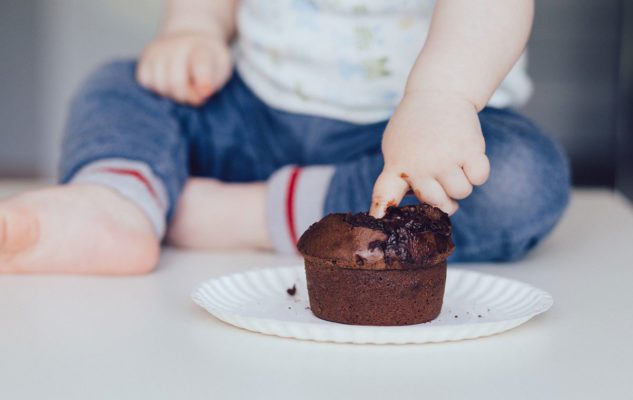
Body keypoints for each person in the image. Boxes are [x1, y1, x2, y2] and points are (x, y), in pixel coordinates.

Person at [0, 0, 569, 274]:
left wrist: (443, 97)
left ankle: (229, 213)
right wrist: (193, 29)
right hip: (251, 112)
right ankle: (115, 200)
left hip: (399, 151)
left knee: (519, 178)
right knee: (123, 83)